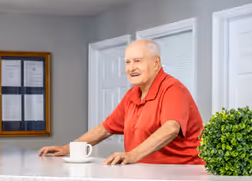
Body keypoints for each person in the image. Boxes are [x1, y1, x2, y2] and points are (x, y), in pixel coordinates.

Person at [39, 39, 203, 165]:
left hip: (182, 174)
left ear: (156, 62)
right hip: (146, 172)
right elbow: (105, 129)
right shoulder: (132, 95)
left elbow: (171, 128)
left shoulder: (172, 89)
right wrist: (69, 148)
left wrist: (133, 155)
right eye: (128, 62)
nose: (131, 68)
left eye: (138, 61)